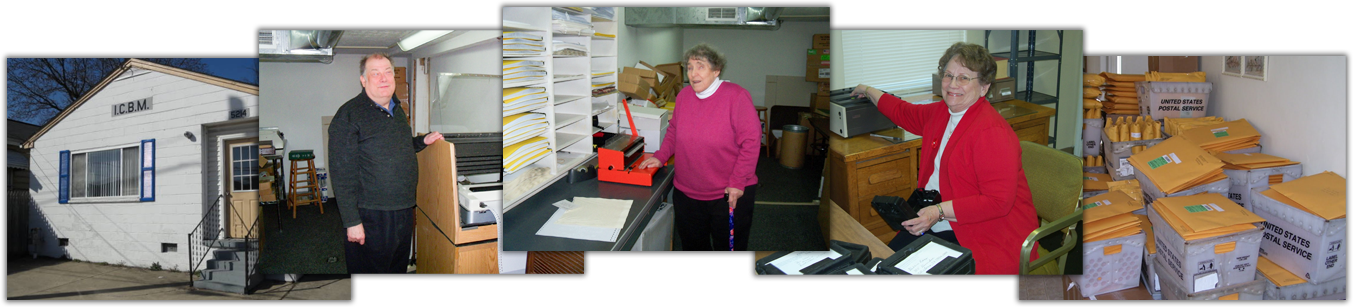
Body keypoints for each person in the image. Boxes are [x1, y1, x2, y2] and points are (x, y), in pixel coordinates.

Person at [850, 42, 1039, 275]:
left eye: (964, 78)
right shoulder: (942, 112)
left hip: (985, 232)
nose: (952, 84)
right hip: (939, 218)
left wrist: (937, 211)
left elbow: (997, 202)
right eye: (948, 75)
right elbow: (903, 112)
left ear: (984, 87)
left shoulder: (991, 132)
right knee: (883, 266)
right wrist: (869, 90)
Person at [637, 43, 761, 252]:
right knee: (694, 248)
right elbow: (674, 130)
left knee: (729, 251)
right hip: (687, 194)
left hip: (727, 193)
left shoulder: (736, 96)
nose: (693, 73)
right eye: (690, 67)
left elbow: (751, 141)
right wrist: (660, 156)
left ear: (716, 70)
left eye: (700, 66)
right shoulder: (684, 96)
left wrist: (738, 181)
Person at [329, 52, 443, 274]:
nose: (383, 78)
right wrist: (352, 222)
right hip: (372, 214)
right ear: (363, 80)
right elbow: (341, 173)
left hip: (402, 209)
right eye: (375, 73)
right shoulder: (349, 116)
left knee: (396, 270)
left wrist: (422, 141)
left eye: (388, 72)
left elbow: (397, 146)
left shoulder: (396, 109)